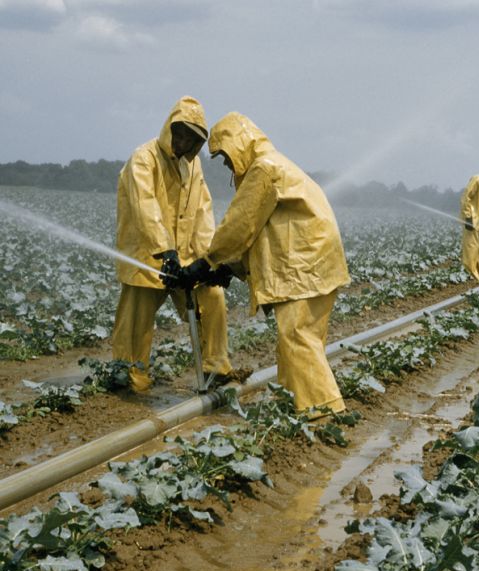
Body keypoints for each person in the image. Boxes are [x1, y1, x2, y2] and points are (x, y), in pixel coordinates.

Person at [168, 112, 350, 417]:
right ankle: (297, 405)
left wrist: (207, 261)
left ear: (239, 144)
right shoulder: (277, 164)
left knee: (297, 339)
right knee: (299, 341)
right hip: (316, 267)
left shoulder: (264, 169)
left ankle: (322, 414)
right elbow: (266, 230)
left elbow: (241, 225)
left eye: (225, 157)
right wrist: (230, 268)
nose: (227, 165)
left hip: (302, 270)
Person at [112, 96, 232, 393]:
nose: (183, 142)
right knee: (136, 323)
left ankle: (216, 367)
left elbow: (203, 211)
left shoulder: (194, 168)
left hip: (186, 258)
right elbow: (145, 208)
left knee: (213, 300)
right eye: (180, 134)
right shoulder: (144, 158)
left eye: (191, 139)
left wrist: (207, 260)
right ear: (170, 129)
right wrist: (165, 251)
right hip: (148, 257)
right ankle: (130, 375)